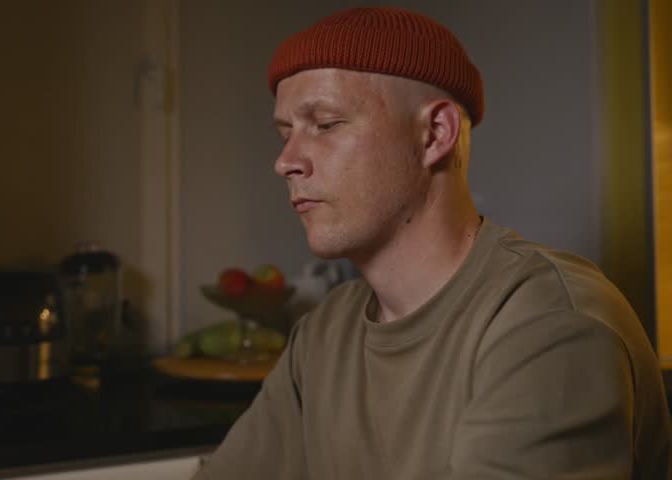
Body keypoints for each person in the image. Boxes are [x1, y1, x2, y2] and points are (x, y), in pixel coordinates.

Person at [192, 6, 671, 480]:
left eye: (326, 123)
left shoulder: (550, 323)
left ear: (435, 134)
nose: (285, 161)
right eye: (286, 133)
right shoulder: (325, 334)